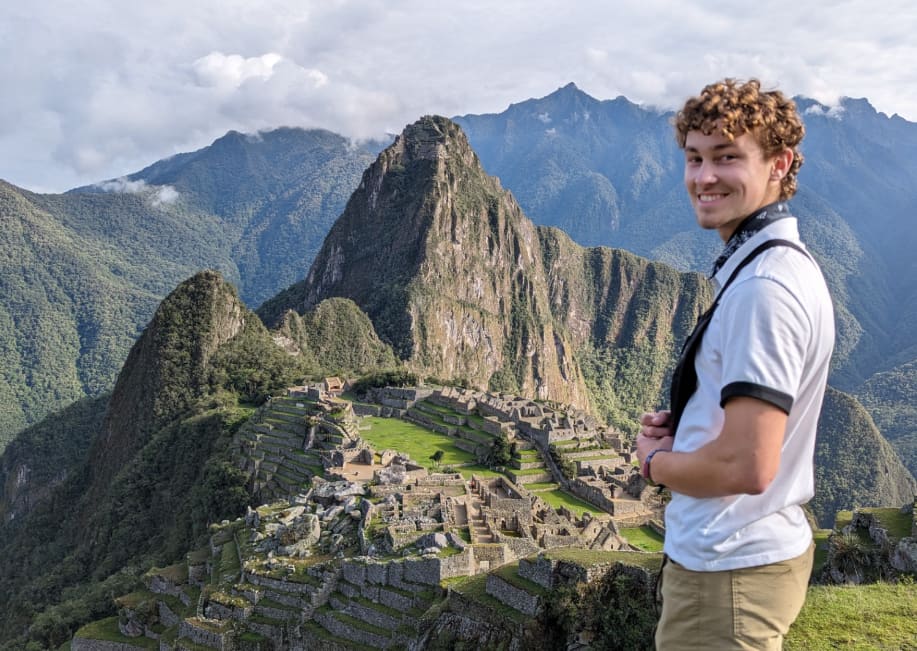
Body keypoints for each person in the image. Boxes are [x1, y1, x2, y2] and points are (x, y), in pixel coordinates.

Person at [636, 78, 835, 650]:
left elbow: (748, 466)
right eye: (695, 158)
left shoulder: (764, 289)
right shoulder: (771, 268)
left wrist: (657, 462)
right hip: (746, 561)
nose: (704, 177)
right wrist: (696, 423)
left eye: (727, 157)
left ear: (780, 163)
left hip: (728, 568)